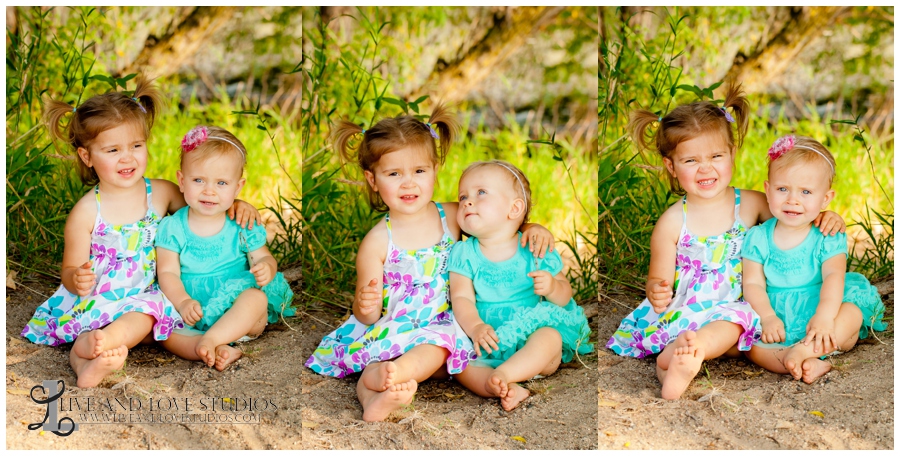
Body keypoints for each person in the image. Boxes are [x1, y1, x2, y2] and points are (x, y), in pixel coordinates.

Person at [305, 104, 553, 422]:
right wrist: (363, 303)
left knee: (448, 356)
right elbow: (366, 315)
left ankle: (485, 384)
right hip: (397, 324)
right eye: (394, 174)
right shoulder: (377, 242)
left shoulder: (450, 215)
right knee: (422, 352)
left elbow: (498, 224)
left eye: (419, 171)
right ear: (373, 180)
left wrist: (532, 227)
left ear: (435, 170)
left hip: (443, 322)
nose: (409, 184)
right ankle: (380, 387)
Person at [605, 82, 845, 400]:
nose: (706, 168)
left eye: (716, 156)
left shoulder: (749, 202)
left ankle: (681, 358)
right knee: (718, 329)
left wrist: (827, 217)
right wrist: (657, 289)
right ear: (671, 166)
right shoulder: (673, 221)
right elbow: (659, 277)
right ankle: (677, 366)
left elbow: (792, 215)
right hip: (690, 309)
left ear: (731, 154)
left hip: (734, 308)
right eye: (690, 161)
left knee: (730, 326)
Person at [21, 78, 261, 388]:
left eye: (136, 145)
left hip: (146, 296)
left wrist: (236, 203)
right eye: (112, 149)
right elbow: (69, 268)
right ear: (87, 156)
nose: (127, 157)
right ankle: (96, 346)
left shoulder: (159, 193)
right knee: (146, 318)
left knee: (157, 324)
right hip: (102, 299)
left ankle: (94, 356)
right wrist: (75, 277)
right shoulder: (86, 212)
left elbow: (201, 203)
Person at [449, 160, 594, 411]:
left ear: (514, 208)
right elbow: (461, 298)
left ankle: (504, 375)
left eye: (481, 192)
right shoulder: (464, 253)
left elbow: (564, 295)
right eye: (463, 196)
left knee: (550, 337)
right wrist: (475, 328)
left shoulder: (534, 247)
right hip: (485, 340)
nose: (467, 201)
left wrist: (551, 288)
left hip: (531, 340)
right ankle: (503, 385)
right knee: (458, 364)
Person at [743, 135, 886, 383]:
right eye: (782, 189)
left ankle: (804, 352)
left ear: (825, 199)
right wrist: (766, 316)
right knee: (753, 349)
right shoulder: (758, 237)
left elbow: (834, 276)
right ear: (767, 190)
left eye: (806, 191)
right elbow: (753, 284)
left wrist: (824, 316)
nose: (793, 200)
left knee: (851, 315)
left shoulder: (827, 235)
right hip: (776, 313)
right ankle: (803, 360)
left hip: (823, 305)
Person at [156, 126, 295, 371]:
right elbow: (167, 272)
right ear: (181, 181)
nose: (209, 191)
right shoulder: (173, 227)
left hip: (237, 310)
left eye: (221, 182)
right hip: (191, 311)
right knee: (163, 332)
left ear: (237, 187)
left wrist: (266, 267)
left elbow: (264, 257)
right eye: (198, 180)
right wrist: (183, 302)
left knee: (256, 299)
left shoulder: (241, 224)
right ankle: (218, 347)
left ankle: (211, 340)